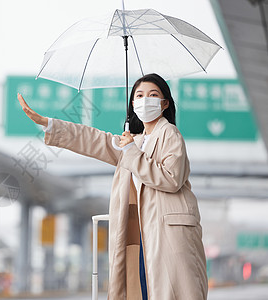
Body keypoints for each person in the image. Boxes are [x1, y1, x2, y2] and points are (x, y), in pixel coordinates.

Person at [17, 73, 208, 300]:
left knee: (167, 291)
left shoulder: (170, 134)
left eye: (153, 95)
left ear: (165, 103)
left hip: (166, 235)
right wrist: (49, 124)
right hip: (140, 233)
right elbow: (94, 140)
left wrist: (131, 152)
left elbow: (172, 178)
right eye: (139, 96)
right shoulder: (135, 141)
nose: (145, 100)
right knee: (142, 291)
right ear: (133, 104)